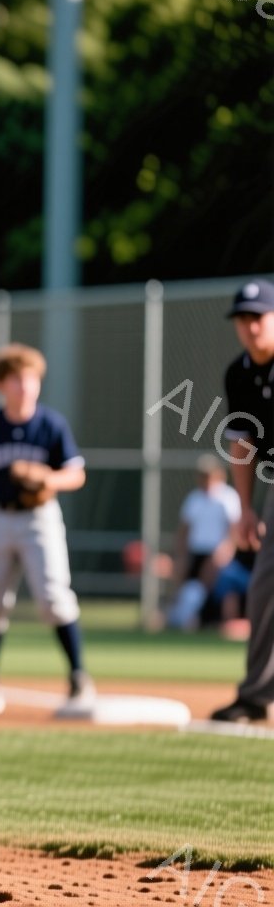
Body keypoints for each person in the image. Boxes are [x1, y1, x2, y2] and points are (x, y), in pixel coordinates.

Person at [0, 343, 94, 718]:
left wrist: (48, 477)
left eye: (31, 378)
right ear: (1, 384)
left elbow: (76, 474)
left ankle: (79, 678)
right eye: (16, 378)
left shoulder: (50, 424)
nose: (25, 385)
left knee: (53, 597)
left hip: (40, 518)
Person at [209, 277, 274, 724]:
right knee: (264, 587)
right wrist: (245, 508)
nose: (250, 327)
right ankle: (255, 696)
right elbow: (242, 443)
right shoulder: (239, 373)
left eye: (259, 317)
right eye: (243, 318)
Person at [166, 456, 240, 631]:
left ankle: (205, 618)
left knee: (209, 580)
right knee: (181, 575)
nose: (204, 478)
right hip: (196, 552)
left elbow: (234, 529)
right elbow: (184, 530)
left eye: (208, 474)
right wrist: (181, 556)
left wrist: (224, 551)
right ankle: (181, 616)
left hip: (217, 553)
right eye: (201, 475)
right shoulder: (194, 498)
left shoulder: (228, 497)